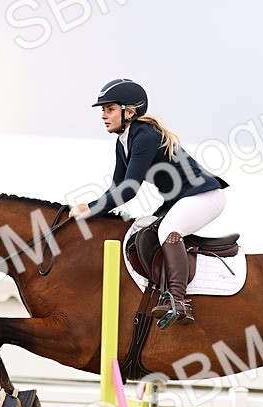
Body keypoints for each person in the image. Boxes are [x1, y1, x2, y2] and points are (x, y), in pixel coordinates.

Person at [74, 79, 228, 326]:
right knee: (141, 227)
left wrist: (91, 208)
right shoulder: (123, 140)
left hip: (204, 196)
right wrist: (93, 209)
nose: (103, 116)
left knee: (168, 230)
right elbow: (116, 187)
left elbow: (129, 189)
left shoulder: (144, 135)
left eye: (110, 109)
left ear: (130, 111)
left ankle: (179, 301)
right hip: (179, 200)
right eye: (103, 110)